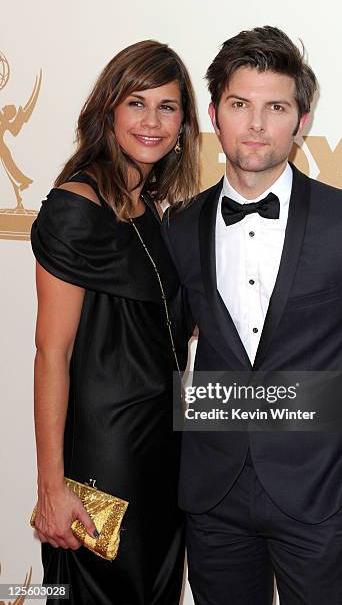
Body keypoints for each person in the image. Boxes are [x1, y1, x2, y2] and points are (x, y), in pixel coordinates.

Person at [162, 26, 342, 604]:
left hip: (322, 497)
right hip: (213, 500)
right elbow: (162, 355)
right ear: (216, 118)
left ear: (300, 122)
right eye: (239, 105)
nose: (256, 124)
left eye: (275, 107)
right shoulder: (180, 228)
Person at [31, 40, 199, 604]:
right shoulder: (75, 207)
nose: (152, 121)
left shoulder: (155, 211)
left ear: (184, 122)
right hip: (103, 460)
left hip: (164, 457)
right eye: (137, 103)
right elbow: (51, 353)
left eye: (168, 107)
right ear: (109, 110)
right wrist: (52, 487)